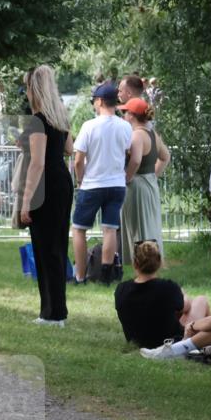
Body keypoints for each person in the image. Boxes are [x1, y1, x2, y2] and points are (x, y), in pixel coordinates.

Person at [17, 65, 75, 327]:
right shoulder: (59, 117)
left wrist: (27, 201)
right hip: (62, 181)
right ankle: (53, 310)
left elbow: (37, 164)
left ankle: (52, 313)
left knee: (44, 247)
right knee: (57, 246)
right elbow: (69, 149)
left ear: (33, 89)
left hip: (45, 184)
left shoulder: (38, 121)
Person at [114, 240, 211, 359]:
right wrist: (183, 294)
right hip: (170, 341)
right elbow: (186, 306)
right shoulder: (167, 287)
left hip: (138, 341)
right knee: (201, 300)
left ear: (135, 263)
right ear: (160, 262)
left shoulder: (121, 289)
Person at [71, 81, 132, 285]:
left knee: (79, 229)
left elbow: (79, 159)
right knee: (110, 229)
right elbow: (128, 152)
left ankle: (80, 276)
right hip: (116, 184)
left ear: (99, 101)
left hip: (92, 184)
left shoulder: (89, 126)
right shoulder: (125, 126)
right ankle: (106, 274)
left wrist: (80, 179)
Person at [119, 97, 171, 261]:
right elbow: (166, 156)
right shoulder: (152, 134)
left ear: (132, 116)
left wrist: (127, 178)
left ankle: (144, 261)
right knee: (150, 223)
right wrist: (154, 175)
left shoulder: (137, 135)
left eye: (125, 112)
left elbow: (135, 160)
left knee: (139, 226)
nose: (123, 115)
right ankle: (151, 259)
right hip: (149, 183)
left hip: (137, 185)